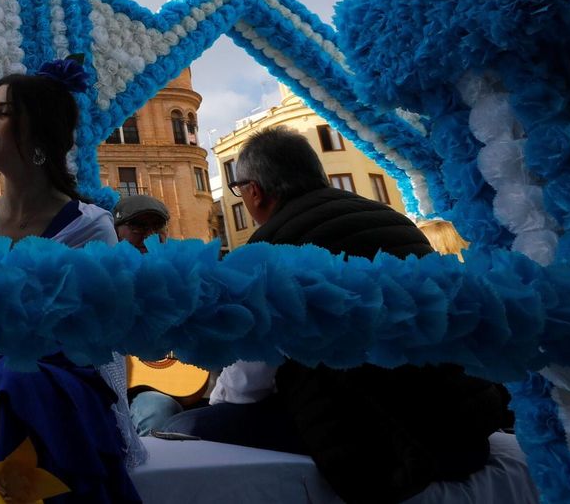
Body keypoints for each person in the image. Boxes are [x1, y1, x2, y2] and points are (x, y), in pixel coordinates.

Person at [164, 125, 508, 504]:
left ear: (254, 191)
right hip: (461, 422)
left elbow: (248, 384)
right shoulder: (390, 218)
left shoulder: (267, 249)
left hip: (379, 444)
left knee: (182, 426)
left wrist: (217, 398)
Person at [0, 59, 144, 503]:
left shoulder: (90, 227)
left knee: (15, 381)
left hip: (61, 387)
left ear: (40, 133)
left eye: (3, 112)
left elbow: (66, 328)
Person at [111, 194, 196, 436]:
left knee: (158, 408)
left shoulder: (180, 280)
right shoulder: (103, 279)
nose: (149, 235)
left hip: (162, 389)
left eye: (156, 226)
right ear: (116, 231)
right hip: (108, 391)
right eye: (138, 226)